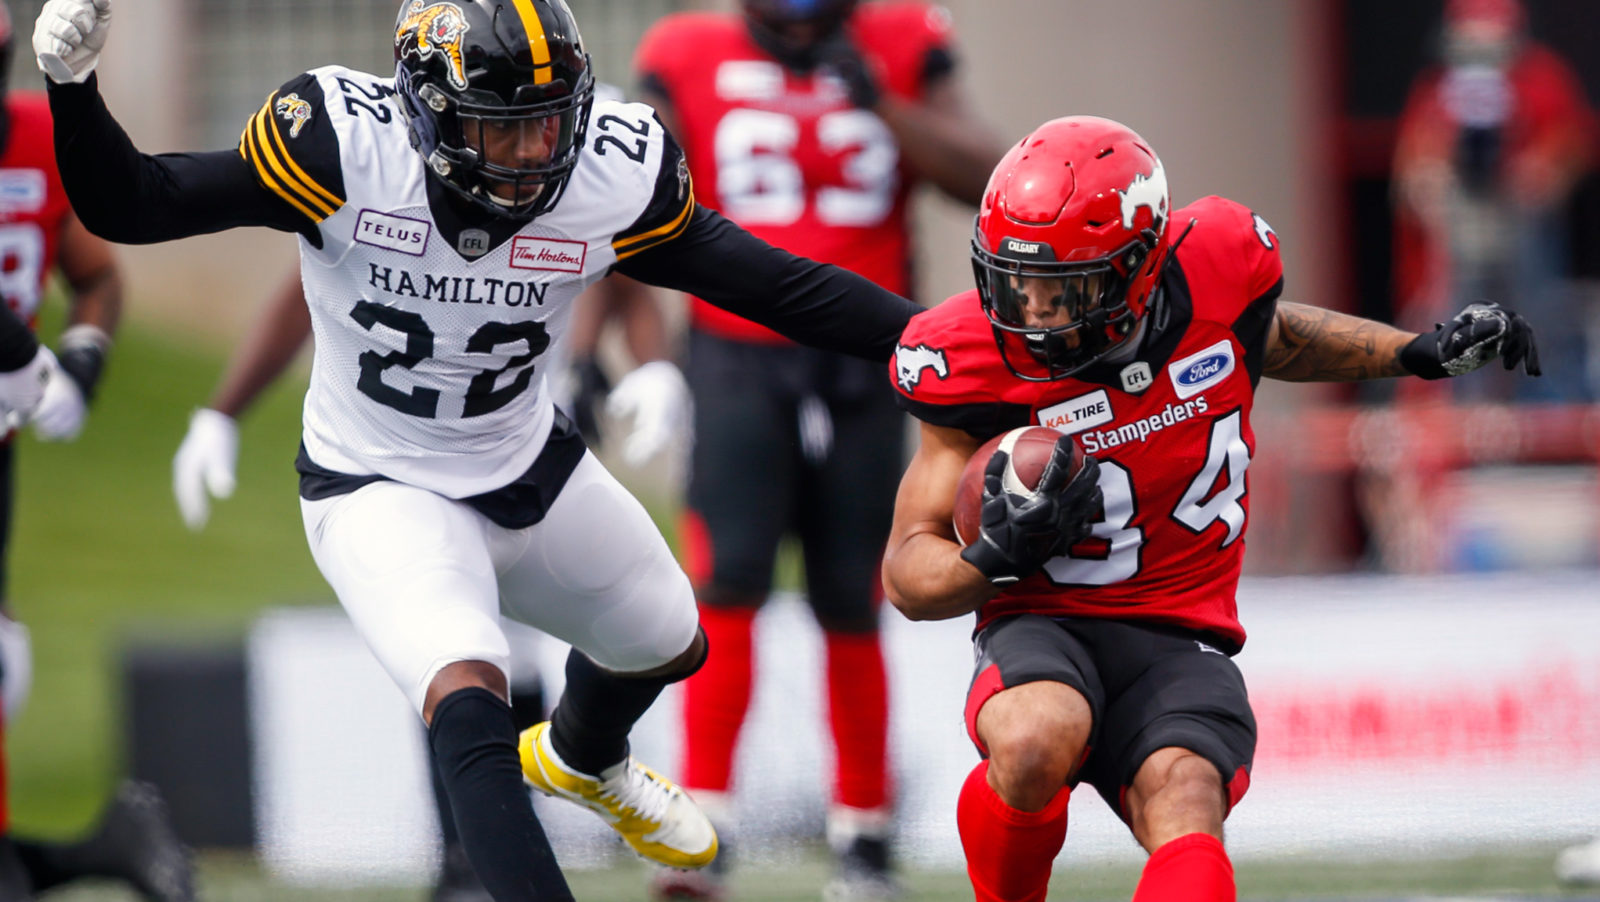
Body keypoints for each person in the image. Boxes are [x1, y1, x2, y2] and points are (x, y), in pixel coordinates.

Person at [32, 0, 922, 898]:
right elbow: (137, 204)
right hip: (377, 482)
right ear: (426, 114)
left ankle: (583, 757)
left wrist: (937, 344)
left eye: (548, 121)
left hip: (526, 457)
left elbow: (779, 287)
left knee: (667, 638)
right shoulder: (342, 145)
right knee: (470, 698)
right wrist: (74, 90)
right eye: (504, 130)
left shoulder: (608, 172)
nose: (536, 152)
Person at [880, 116, 1540, 902]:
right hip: (1044, 615)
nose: (1032, 314)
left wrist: (1411, 353)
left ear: (1141, 271)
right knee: (1032, 737)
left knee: (1187, 794)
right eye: (1016, 283)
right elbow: (906, 576)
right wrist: (989, 557)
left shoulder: (1220, 269)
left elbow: (1268, 339)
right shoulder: (965, 355)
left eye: (1065, 291)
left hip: (1179, 627)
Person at [630, 2, 1001, 896]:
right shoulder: (685, 50)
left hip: (868, 355)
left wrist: (885, 106)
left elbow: (988, 177)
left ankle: (865, 837)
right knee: (726, 584)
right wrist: (641, 364)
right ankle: (705, 825)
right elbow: (626, 205)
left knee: (857, 593)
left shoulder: (905, 40)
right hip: (733, 356)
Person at [0, 4, 194, 898]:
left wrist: (80, 363)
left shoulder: (35, 140)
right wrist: (18, 353)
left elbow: (97, 274)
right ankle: (105, 844)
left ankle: (88, 845)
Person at [1392, 0, 1591, 401]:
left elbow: (1574, 141)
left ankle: (1541, 423)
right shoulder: (1436, 89)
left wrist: (1542, 173)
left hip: (1522, 236)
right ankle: (1466, 421)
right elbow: (1409, 171)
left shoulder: (1542, 78)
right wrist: (1426, 183)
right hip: (1460, 239)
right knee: (1456, 333)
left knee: (1537, 333)